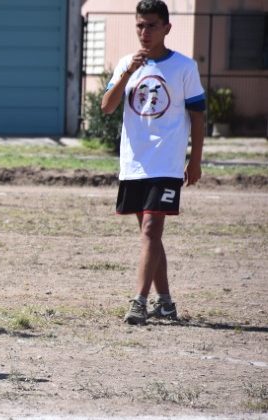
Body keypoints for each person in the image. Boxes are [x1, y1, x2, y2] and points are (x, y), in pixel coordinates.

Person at [101, 0, 205, 325]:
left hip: (167, 162)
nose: (144, 32)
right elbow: (106, 106)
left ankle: (139, 302)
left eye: (151, 25)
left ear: (167, 28)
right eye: (140, 25)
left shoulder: (184, 67)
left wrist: (196, 160)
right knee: (151, 237)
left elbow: (198, 117)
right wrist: (129, 72)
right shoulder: (126, 64)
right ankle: (167, 302)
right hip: (135, 162)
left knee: (150, 228)